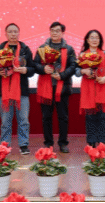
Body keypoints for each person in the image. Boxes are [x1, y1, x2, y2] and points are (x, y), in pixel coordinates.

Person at [33, 21, 77, 153]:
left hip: (62, 88)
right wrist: (43, 68)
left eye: (57, 31)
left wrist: (62, 75)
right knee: (46, 117)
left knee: (63, 117)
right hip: (45, 88)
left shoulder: (69, 49)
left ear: (62, 33)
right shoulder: (42, 48)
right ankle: (48, 143)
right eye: (52, 30)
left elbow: (73, 66)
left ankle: (63, 143)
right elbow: (34, 64)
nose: (54, 33)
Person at [0, 23, 35, 155]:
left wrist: (25, 70)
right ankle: (5, 145)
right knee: (5, 121)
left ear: (19, 33)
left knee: (23, 120)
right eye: (10, 32)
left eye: (15, 31)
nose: (13, 34)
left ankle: (23, 145)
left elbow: (32, 69)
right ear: (5, 34)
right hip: (4, 92)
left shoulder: (25, 50)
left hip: (22, 91)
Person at [76, 29, 105, 147]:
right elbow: (76, 71)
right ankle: (91, 143)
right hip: (88, 89)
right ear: (87, 40)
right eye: (92, 37)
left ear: (100, 40)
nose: (94, 40)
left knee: (102, 116)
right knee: (90, 116)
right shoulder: (82, 55)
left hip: (102, 87)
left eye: (97, 37)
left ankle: (101, 143)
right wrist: (83, 71)